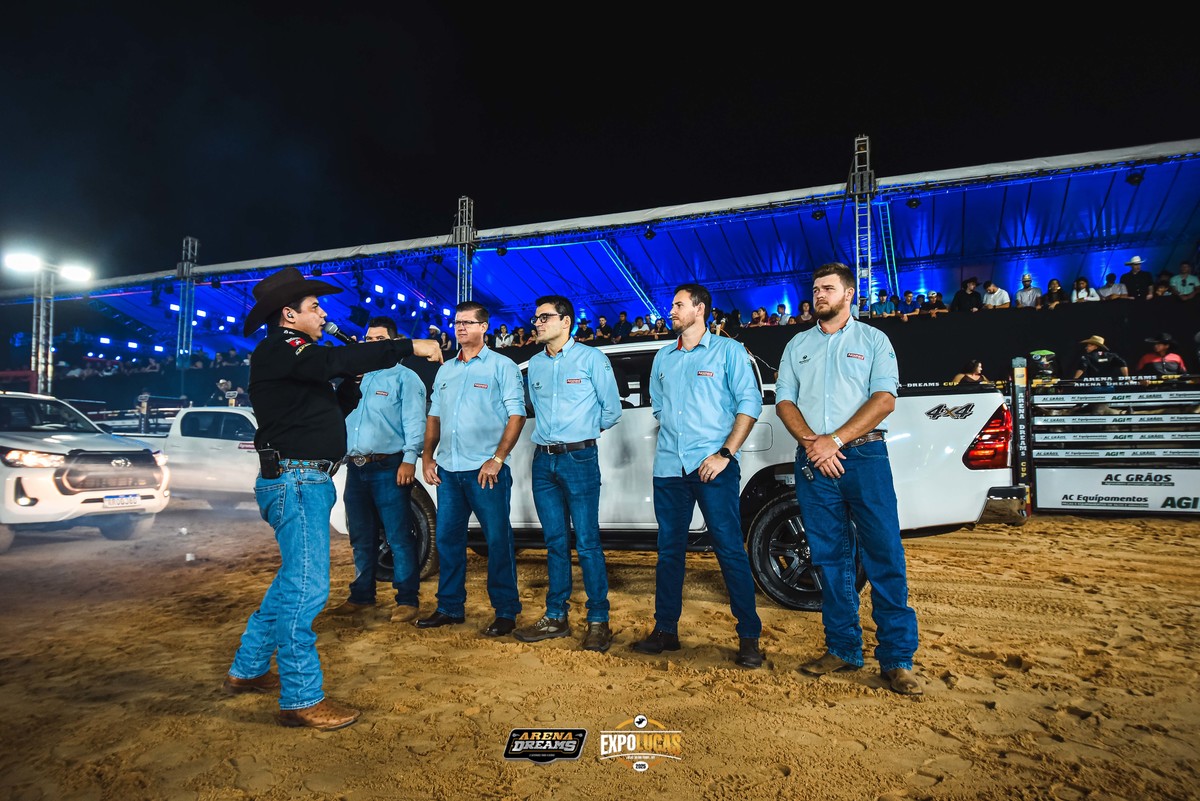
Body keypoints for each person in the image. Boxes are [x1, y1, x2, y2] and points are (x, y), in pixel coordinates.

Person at [224, 266, 442, 732]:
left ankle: (248, 667)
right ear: (289, 315)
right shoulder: (282, 348)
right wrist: (407, 346)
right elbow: (329, 363)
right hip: (298, 481)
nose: (323, 314)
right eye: (315, 307)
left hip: (303, 480)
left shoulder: (292, 359)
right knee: (307, 589)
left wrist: (351, 383)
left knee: (292, 581)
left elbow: (328, 409)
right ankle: (301, 698)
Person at [774, 262, 921, 695]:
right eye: (815, 289)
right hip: (814, 462)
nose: (819, 295)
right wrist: (813, 443)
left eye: (828, 288)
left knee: (884, 555)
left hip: (864, 457)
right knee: (829, 558)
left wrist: (834, 441)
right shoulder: (797, 345)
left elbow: (884, 400)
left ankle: (897, 658)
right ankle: (842, 648)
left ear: (849, 294)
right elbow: (784, 402)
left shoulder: (874, 340)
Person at [630, 283, 764, 669]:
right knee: (669, 552)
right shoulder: (663, 357)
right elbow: (659, 408)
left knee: (729, 549)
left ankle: (749, 638)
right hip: (669, 468)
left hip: (713, 467)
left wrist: (725, 454)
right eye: (672, 305)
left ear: (700, 309)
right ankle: (665, 631)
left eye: (678, 305)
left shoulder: (728, 351)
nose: (671, 311)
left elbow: (750, 404)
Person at [513, 295, 623, 652]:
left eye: (544, 317)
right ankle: (555, 616)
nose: (537, 323)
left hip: (579, 458)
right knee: (554, 543)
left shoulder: (592, 358)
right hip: (543, 461)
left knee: (588, 543)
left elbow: (611, 411)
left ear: (566, 321)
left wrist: (582, 434)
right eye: (536, 318)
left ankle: (598, 620)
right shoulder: (535, 365)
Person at [417, 301, 526, 638]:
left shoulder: (502, 366)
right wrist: (427, 456)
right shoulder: (446, 370)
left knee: (498, 541)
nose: (460, 327)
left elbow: (517, 414)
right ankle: (450, 607)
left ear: (484, 327)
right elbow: (434, 416)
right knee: (448, 540)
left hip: (485, 472)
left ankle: (506, 611)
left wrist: (498, 458)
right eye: (456, 322)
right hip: (449, 472)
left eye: (467, 322)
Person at [329, 316, 428, 624]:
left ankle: (407, 599)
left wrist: (410, 459)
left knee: (399, 536)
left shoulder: (406, 378)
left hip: (389, 465)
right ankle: (362, 596)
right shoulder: (355, 378)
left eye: (379, 340)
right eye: (368, 340)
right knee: (361, 536)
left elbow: (415, 421)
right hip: (356, 467)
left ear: (394, 343)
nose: (371, 345)